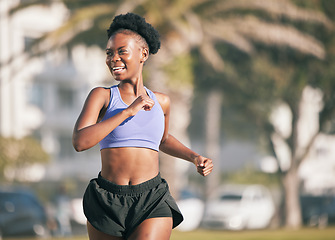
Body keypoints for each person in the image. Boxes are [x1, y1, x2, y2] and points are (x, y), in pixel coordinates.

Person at [72, 12, 213, 240]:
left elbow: (163, 140)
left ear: (143, 54)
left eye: (121, 51)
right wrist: (128, 111)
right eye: (109, 53)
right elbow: (80, 142)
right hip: (107, 199)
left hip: (151, 198)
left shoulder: (162, 101)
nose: (113, 58)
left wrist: (195, 157)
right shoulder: (102, 96)